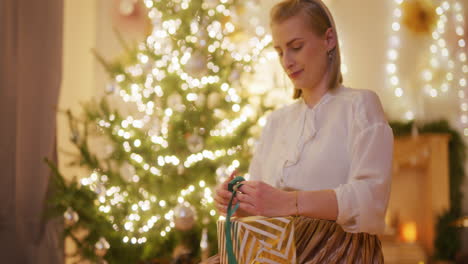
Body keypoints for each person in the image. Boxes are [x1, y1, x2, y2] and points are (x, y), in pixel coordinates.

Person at [213, 0, 393, 262]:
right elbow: (262, 211)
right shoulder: (276, 121)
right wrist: (238, 203)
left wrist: (290, 202)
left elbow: (370, 202)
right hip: (274, 251)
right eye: (279, 51)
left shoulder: (360, 106)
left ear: (328, 39)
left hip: (337, 252)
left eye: (296, 47)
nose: (287, 61)